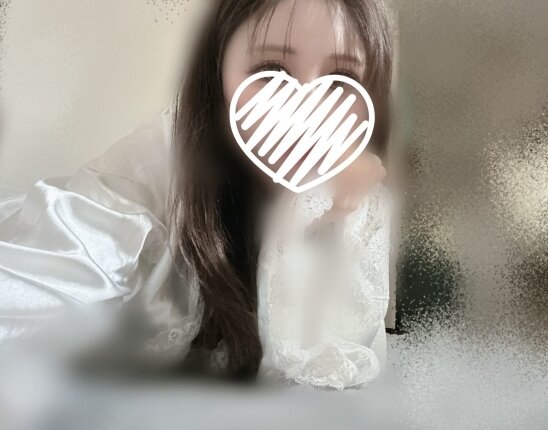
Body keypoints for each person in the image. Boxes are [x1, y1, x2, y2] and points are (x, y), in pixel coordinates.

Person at [0, 0, 394, 390]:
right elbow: (41, 287)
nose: (304, 108)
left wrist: (310, 222)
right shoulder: (157, 164)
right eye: (270, 71)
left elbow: (332, 355)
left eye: (341, 79)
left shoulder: (354, 192)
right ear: (217, 68)